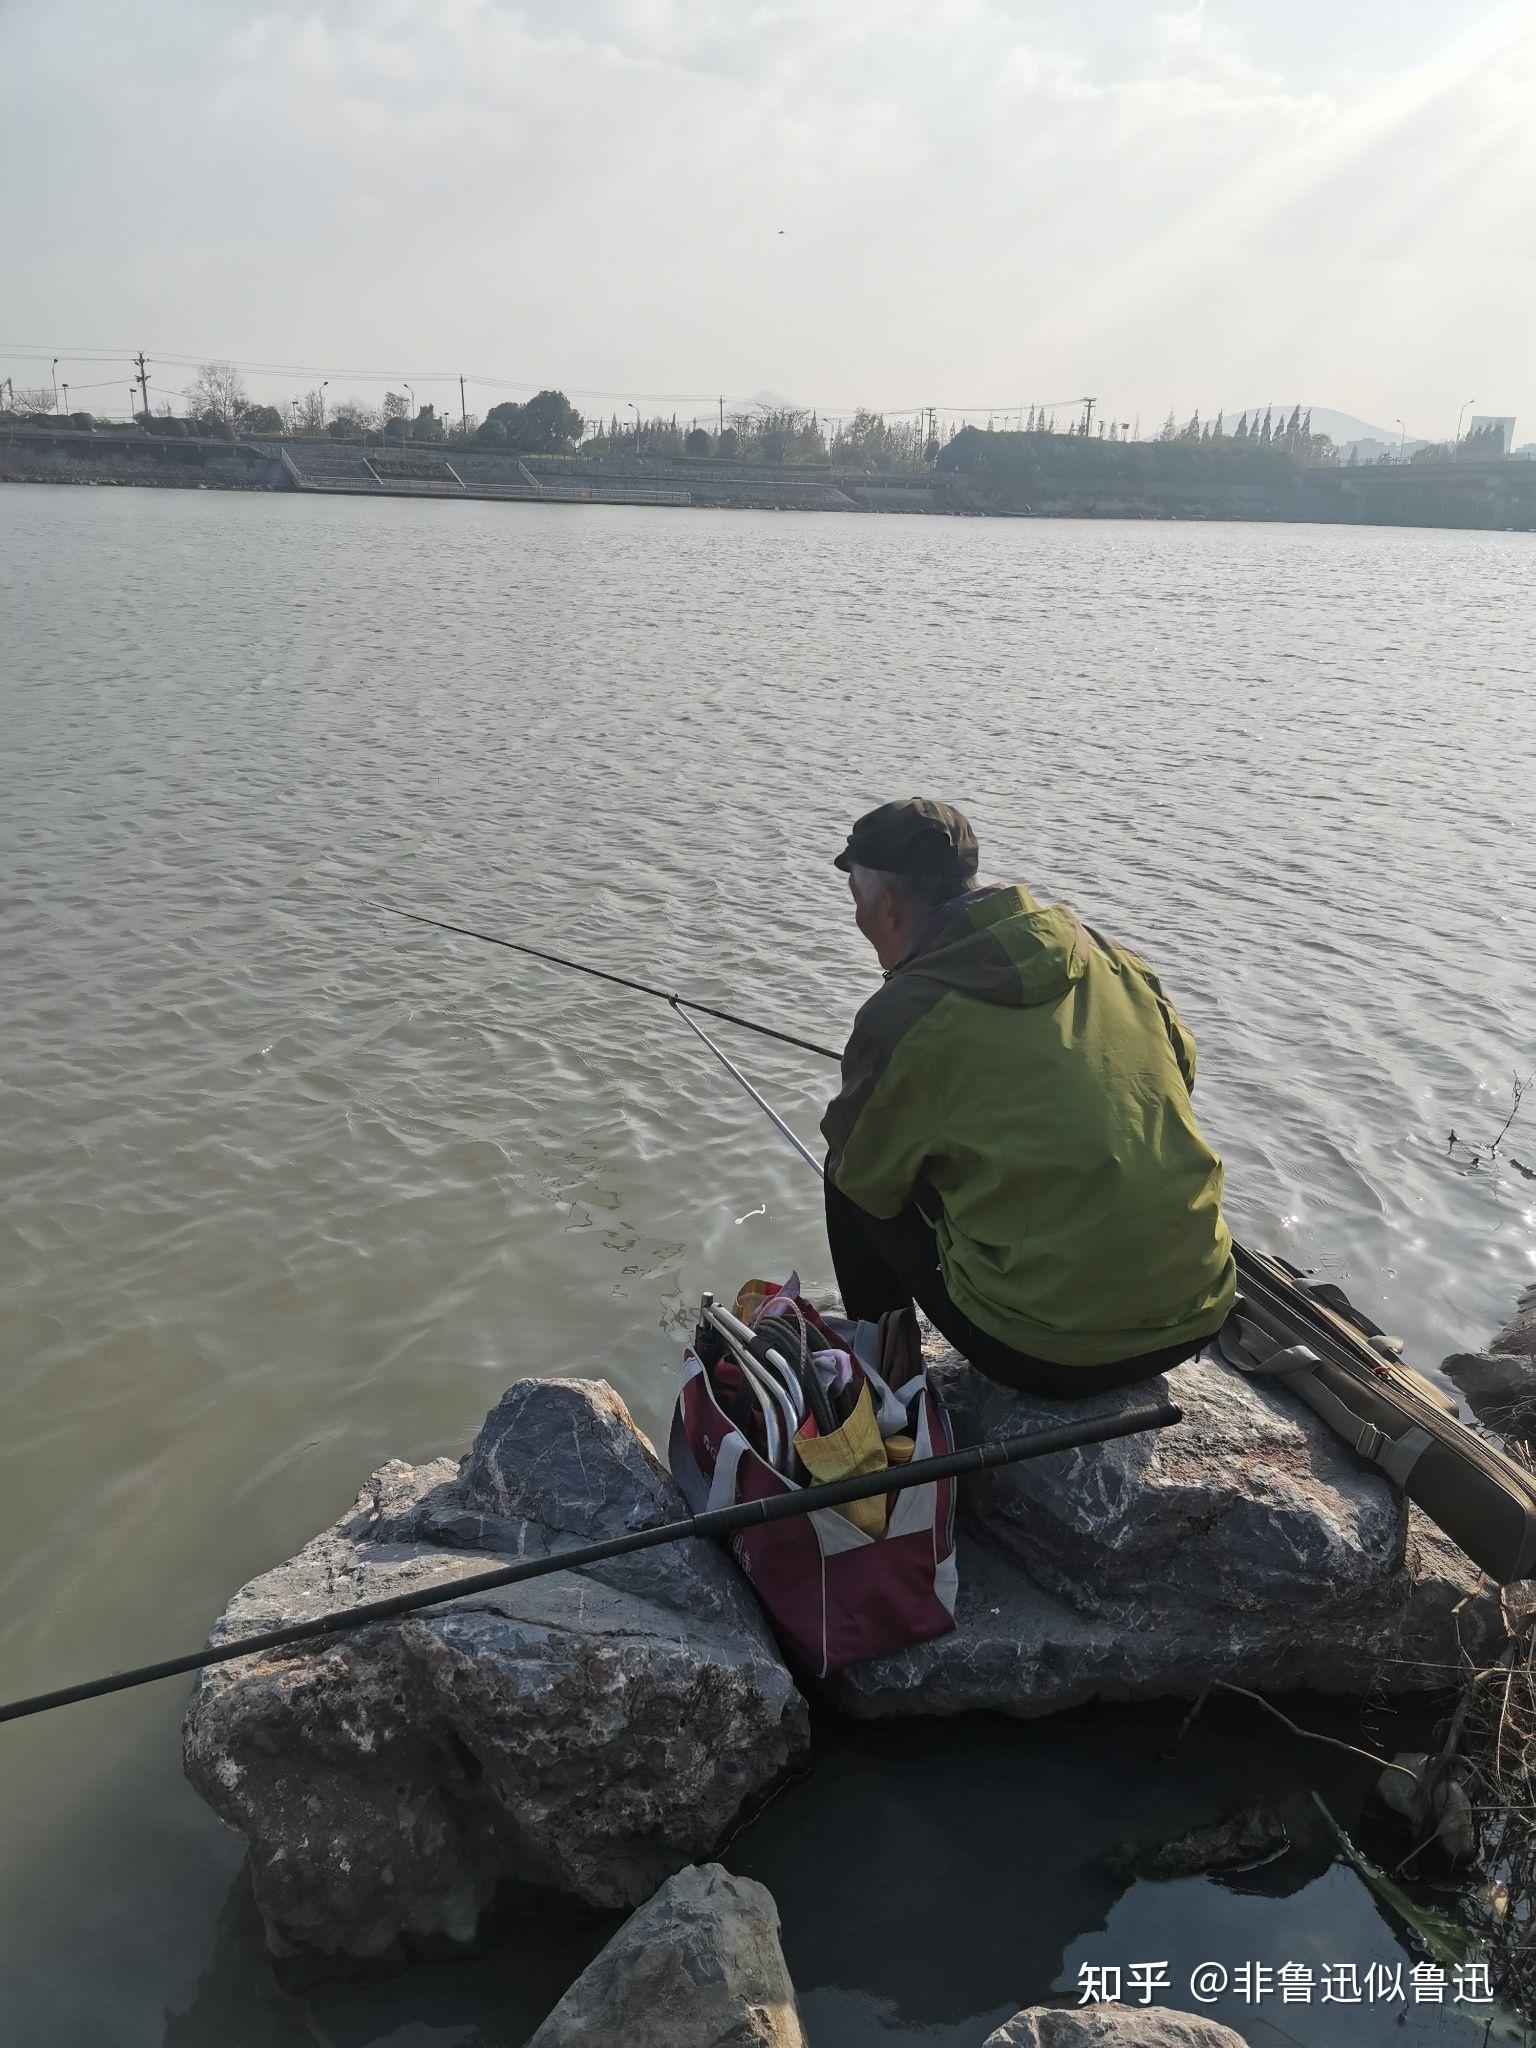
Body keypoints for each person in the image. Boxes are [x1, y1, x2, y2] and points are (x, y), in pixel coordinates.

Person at [821, 798, 1235, 1398]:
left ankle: (886, 1387)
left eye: (855, 897)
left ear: (884, 906)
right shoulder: (1109, 956)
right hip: (1198, 1311)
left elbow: (863, 1173)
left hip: (1042, 1351)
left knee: (847, 1171)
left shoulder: (902, 1017)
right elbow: (1181, 1072)